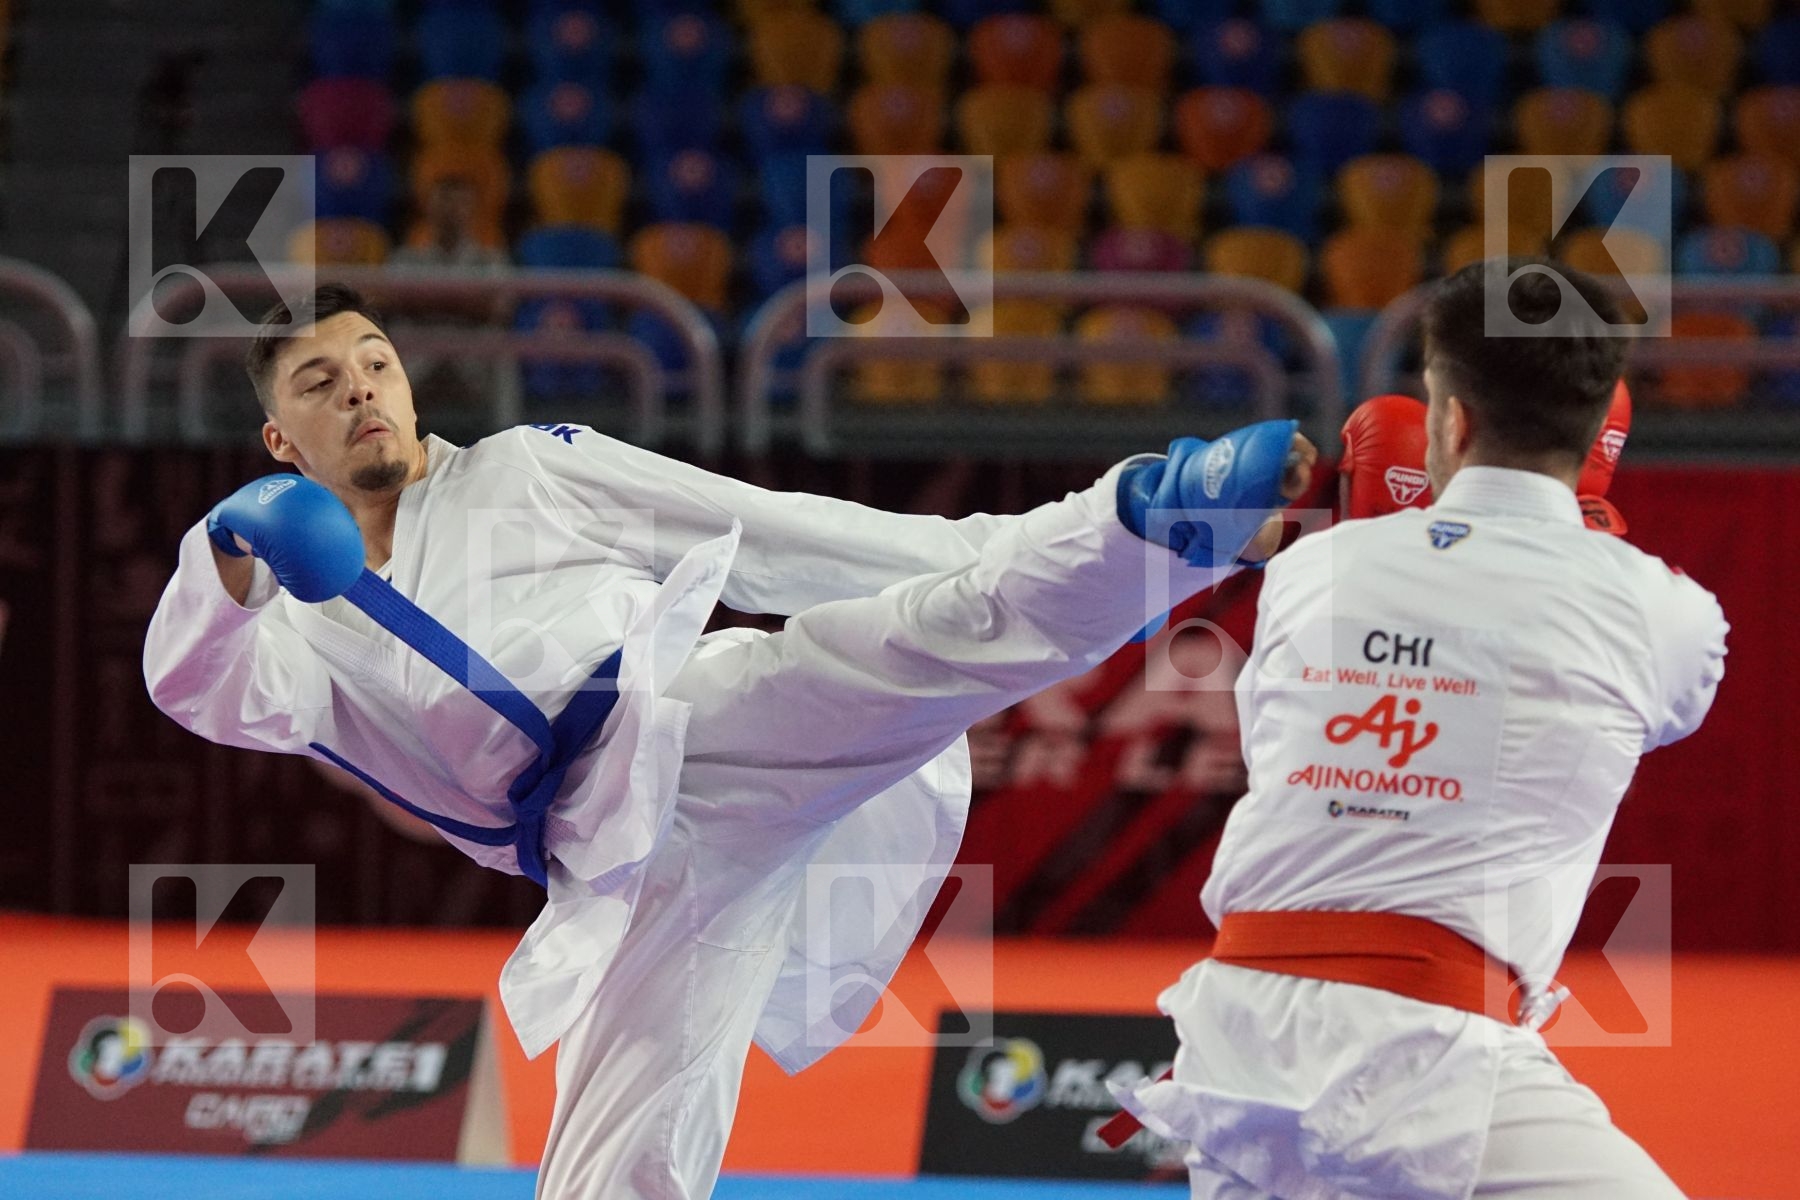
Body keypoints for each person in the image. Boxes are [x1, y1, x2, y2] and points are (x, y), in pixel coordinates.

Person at [142, 283, 1315, 1198]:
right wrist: (228, 553)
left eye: (377, 365)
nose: (362, 392)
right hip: (617, 865)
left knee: (923, 637)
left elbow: (777, 533)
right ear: (277, 440)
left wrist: (1009, 535)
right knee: (619, 1161)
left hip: (683, 728)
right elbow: (190, 682)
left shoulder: (525, 471)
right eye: (320, 382)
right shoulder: (293, 624)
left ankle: (1156, 521)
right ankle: (1153, 533)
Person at [1109, 260, 1728, 1198]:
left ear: (1450, 417)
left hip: (1238, 1040)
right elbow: (1649, 719)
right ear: (1600, 427)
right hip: (1427, 1046)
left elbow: (1290, 733)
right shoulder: (1666, 612)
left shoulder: (1312, 573)